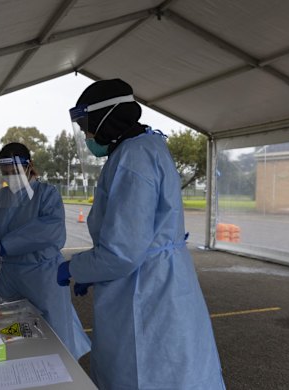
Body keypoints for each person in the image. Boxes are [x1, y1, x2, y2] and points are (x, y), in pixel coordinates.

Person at [57, 79, 226, 389]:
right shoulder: (144, 147)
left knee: (146, 371)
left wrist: (76, 268)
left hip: (147, 289)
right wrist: (92, 271)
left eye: (87, 123)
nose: (86, 133)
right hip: (159, 279)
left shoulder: (132, 157)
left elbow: (123, 251)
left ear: (106, 118)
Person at [0, 142, 90, 360]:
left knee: (54, 332)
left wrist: (8, 244)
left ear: (29, 166)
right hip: (7, 275)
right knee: (7, 328)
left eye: (14, 172)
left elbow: (50, 231)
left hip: (42, 274)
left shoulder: (46, 194)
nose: (10, 177)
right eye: (5, 173)